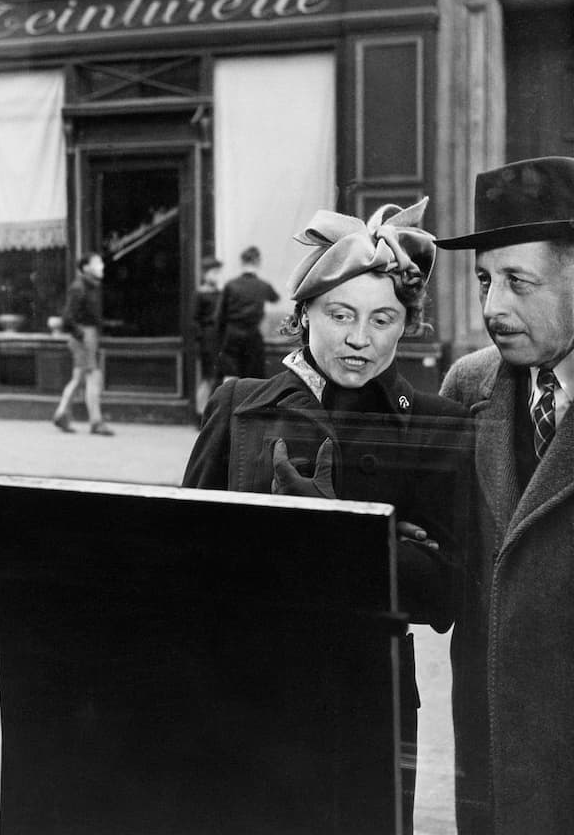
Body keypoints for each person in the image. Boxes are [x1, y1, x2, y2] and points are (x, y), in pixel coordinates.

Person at [183, 199, 471, 834]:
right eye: (340, 314)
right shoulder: (239, 407)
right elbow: (186, 561)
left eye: (383, 319)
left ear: (407, 327)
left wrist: (339, 534)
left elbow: (445, 592)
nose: (359, 339)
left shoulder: (435, 424)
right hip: (247, 691)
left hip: (368, 700)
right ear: (302, 315)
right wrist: (383, 540)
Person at [436, 156, 574, 835]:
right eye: (485, 280)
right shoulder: (468, 387)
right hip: (492, 760)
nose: (493, 308)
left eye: (520, 281)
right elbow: (440, 564)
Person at [53, 252, 114, 436]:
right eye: (97, 263)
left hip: (86, 335)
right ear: (86, 268)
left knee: (79, 377)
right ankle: (96, 421)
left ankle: (62, 413)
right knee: (93, 376)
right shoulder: (79, 288)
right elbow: (67, 318)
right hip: (84, 336)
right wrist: (83, 335)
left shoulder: (89, 287)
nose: (101, 266)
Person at [216, 245, 280, 379]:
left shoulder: (231, 285)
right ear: (258, 262)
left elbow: (220, 315)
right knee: (253, 377)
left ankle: (229, 400)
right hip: (252, 335)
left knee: (230, 374)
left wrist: (220, 338)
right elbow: (275, 298)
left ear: (242, 262)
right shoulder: (263, 285)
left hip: (232, 336)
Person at [192, 256, 223, 424]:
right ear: (206, 274)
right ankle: (200, 413)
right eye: (214, 272)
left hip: (219, 339)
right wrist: (200, 341)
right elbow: (194, 320)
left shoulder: (220, 293)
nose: (217, 276)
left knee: (216, 377)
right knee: (207, 377)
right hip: (207, 339)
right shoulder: (200, 294)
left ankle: (211, 413)